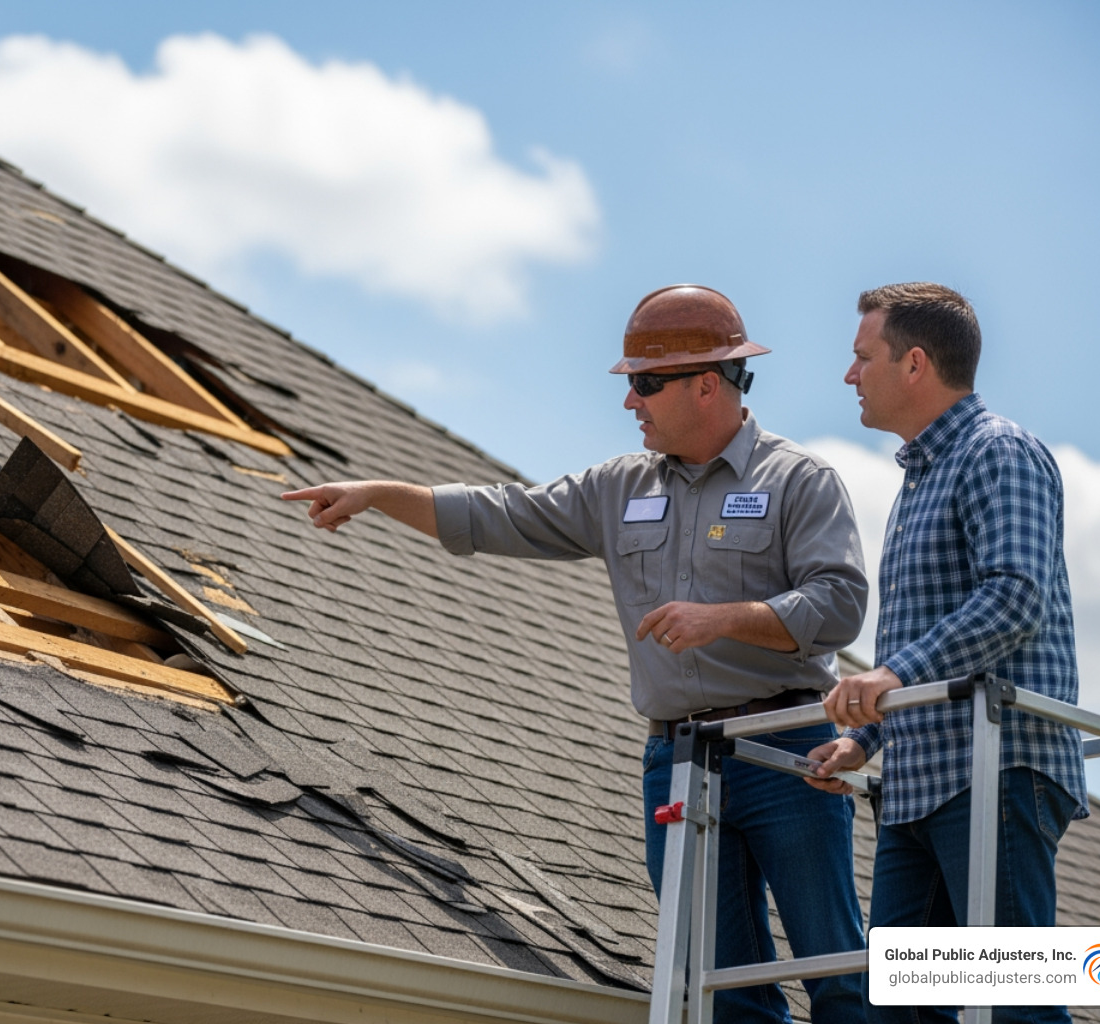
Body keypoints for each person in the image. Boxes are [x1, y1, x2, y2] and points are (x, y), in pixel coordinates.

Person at [284, 285, 869, 1024]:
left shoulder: (797, 482)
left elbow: (840, 607)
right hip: (680, 759)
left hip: (783, 747)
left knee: (837, 971)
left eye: (644, 384)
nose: (631, 402)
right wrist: (378, 493)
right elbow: (500, 514)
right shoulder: (617, 486)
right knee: (719, 990)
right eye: (630, 384)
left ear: (706, 384)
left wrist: (725, 618)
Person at [807, 282, 1087, 1024]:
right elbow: (914, 646)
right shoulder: (921, 477)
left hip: (999, 770)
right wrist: (864, 739)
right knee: (899, 1011)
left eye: (861, 356)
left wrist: (891, 677)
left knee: (1015, 1005)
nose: (848, 374)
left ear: (915, 364)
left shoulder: (1001, 451)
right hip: (922, 782)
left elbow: (1013, 596)